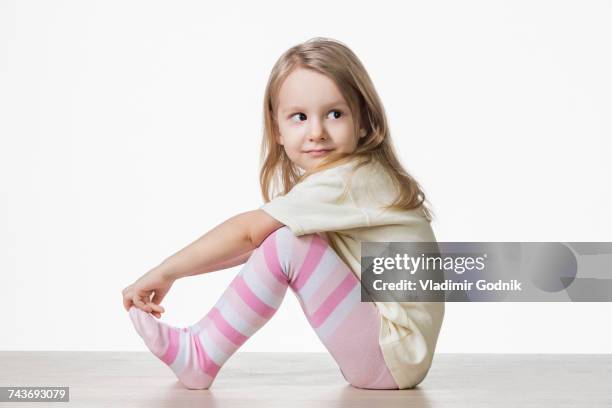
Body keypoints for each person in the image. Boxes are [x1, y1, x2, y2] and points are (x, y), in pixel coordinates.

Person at [122, 37, 444, 390]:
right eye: (300, 117)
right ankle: (200, 349)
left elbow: (249, 234)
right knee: (283, 240)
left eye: (335, 114)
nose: (317, 131)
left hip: (389, 356)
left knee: (289, 242)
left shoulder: (349, 180)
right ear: (278, 129)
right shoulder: (355, 178)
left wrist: (165, 272)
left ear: (364, 121)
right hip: (395, 357)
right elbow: (254, 248)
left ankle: (202, 351)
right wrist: (174, 275)